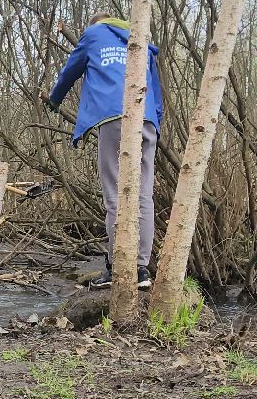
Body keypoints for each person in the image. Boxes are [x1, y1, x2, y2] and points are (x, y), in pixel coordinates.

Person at [44, 14, 166, 288]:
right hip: (146, 119)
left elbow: (69, 71)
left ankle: (117, 268)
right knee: (143, 195)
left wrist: (53, 100)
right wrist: (154, 123)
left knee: (115, 194)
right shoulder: (140, 40)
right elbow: (156, 94)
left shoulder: (93, 34)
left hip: (114, 118)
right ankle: (141, 270)